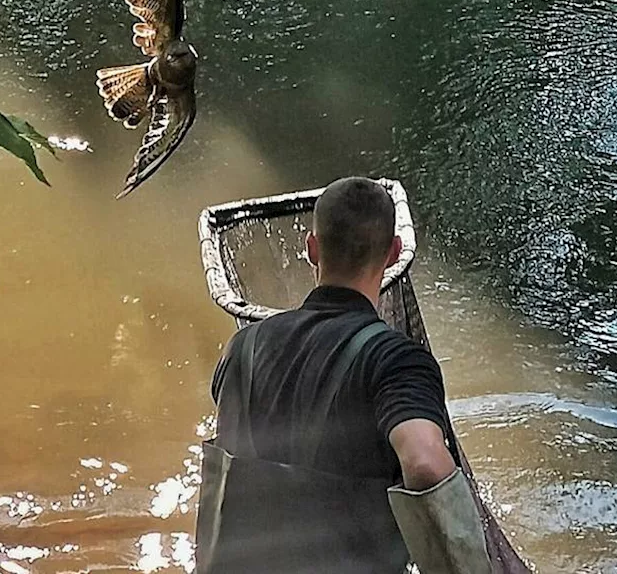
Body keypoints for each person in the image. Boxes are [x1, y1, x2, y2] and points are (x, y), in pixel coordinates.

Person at [198, 177, 492, 573]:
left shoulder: (243, 348)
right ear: (394, 253)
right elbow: (424, 463)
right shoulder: (398, 360)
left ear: (311, 248)